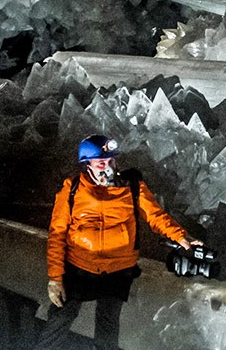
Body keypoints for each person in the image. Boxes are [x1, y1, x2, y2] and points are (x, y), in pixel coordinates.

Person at [36, 134, 199, 349]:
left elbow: (155, 215)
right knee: (61, 316)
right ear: (88, 165)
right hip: (80, 267)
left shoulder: (132, 187)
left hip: (118, 270)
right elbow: (57, 234)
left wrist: (181, 237)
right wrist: (55, 278)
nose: (107, 166)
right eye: (101, 162)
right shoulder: (72, 190)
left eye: (110, 160)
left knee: (108, 323)